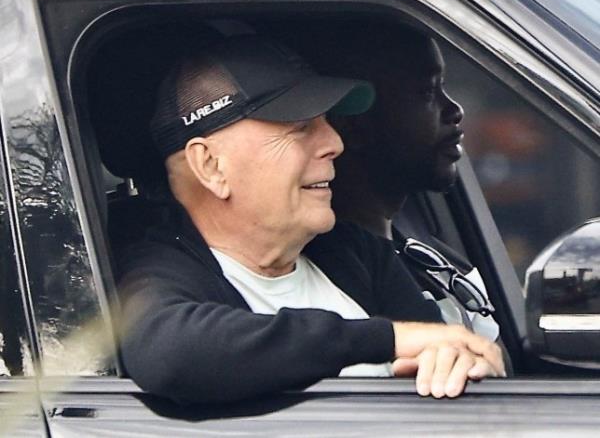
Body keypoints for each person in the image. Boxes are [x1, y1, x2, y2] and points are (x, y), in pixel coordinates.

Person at [116, 26, 505, 405]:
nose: (335, 143)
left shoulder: (358, 255)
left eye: (327, 122)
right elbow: (173, 355)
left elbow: (442, 353)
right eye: (300, 128)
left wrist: (462, 362)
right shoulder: (158, 268)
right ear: (212, 165)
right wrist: (386, 340)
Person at [324, 23, 505, 348]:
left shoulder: (425, 252)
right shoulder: (337, 280)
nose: (454, 110)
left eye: (442, 87)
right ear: (354, 125)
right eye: (426, 92)